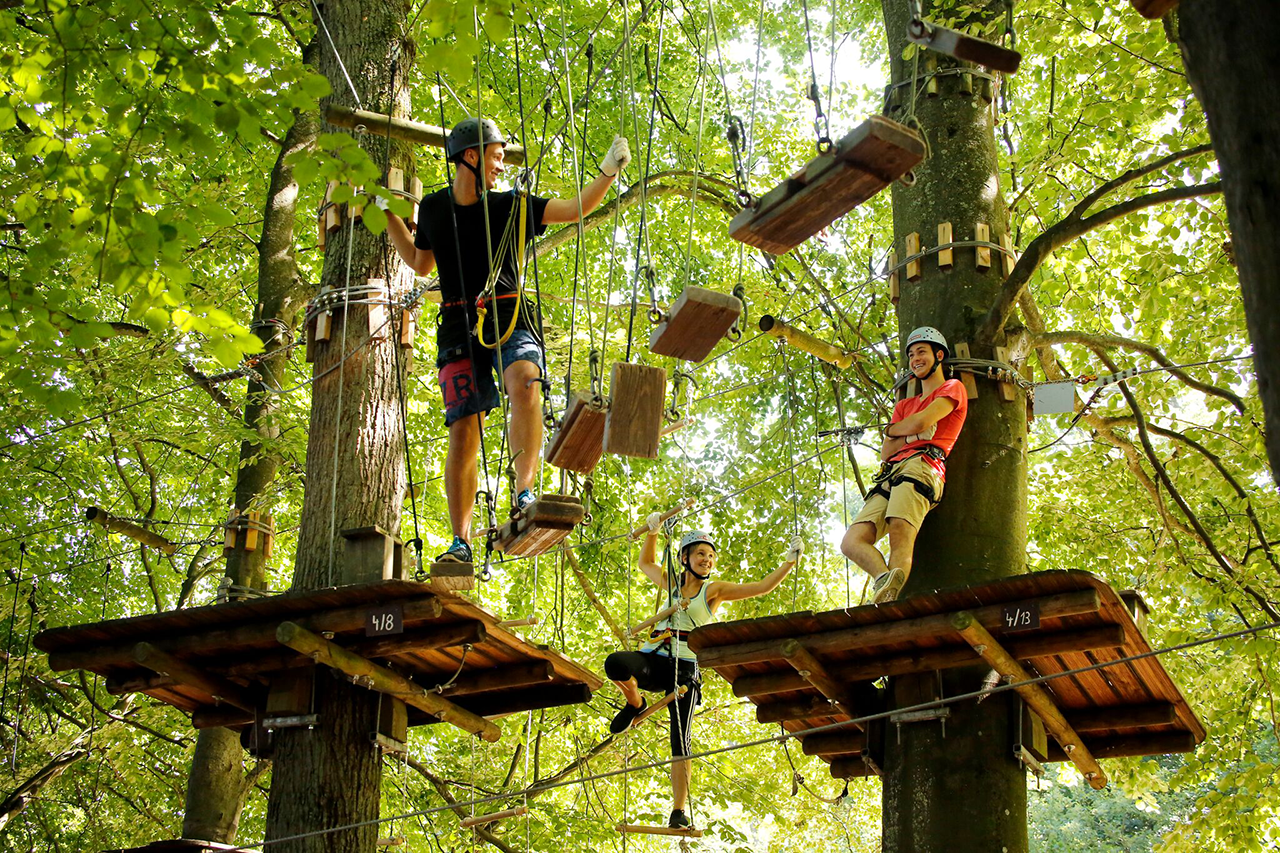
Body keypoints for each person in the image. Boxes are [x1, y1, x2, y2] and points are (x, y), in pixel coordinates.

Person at [385, 118, 630, 563]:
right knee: (464, 428)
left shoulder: (511, 207)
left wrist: (608, 173)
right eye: (497, 157)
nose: (501, 166)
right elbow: (421, 263)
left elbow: (575, 207)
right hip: (459, 323)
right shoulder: (437, 208)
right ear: (472, 157)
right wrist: (386, 215)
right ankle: (460, 542)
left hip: (508, 311)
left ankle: (523, 491)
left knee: (526, 381)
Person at [604, 523, 802, 829]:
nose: (706, 560)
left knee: (680, 741)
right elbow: (645, 563)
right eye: (700, 554)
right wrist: (654, 531)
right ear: (685, 558)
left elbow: (762, 587)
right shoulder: (670, 582)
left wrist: (789, 562)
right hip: (653, 658)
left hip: (683, 669)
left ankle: (678, 810)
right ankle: (635, 703)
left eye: (710, 555)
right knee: (616, 664)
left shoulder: (714, 590)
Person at [840, 326, 968, 604]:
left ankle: (887, 600)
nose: (915, 359)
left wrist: (902, 431)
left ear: (939, 355)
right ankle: (884, 580)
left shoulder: (952, 388)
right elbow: (887, 450)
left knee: (900, 529)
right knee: (851, 542)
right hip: (892, 472)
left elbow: (921, 422)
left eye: (921, 351)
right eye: (911, 355)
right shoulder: (904, 405)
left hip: (923, 464)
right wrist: (903, 431)